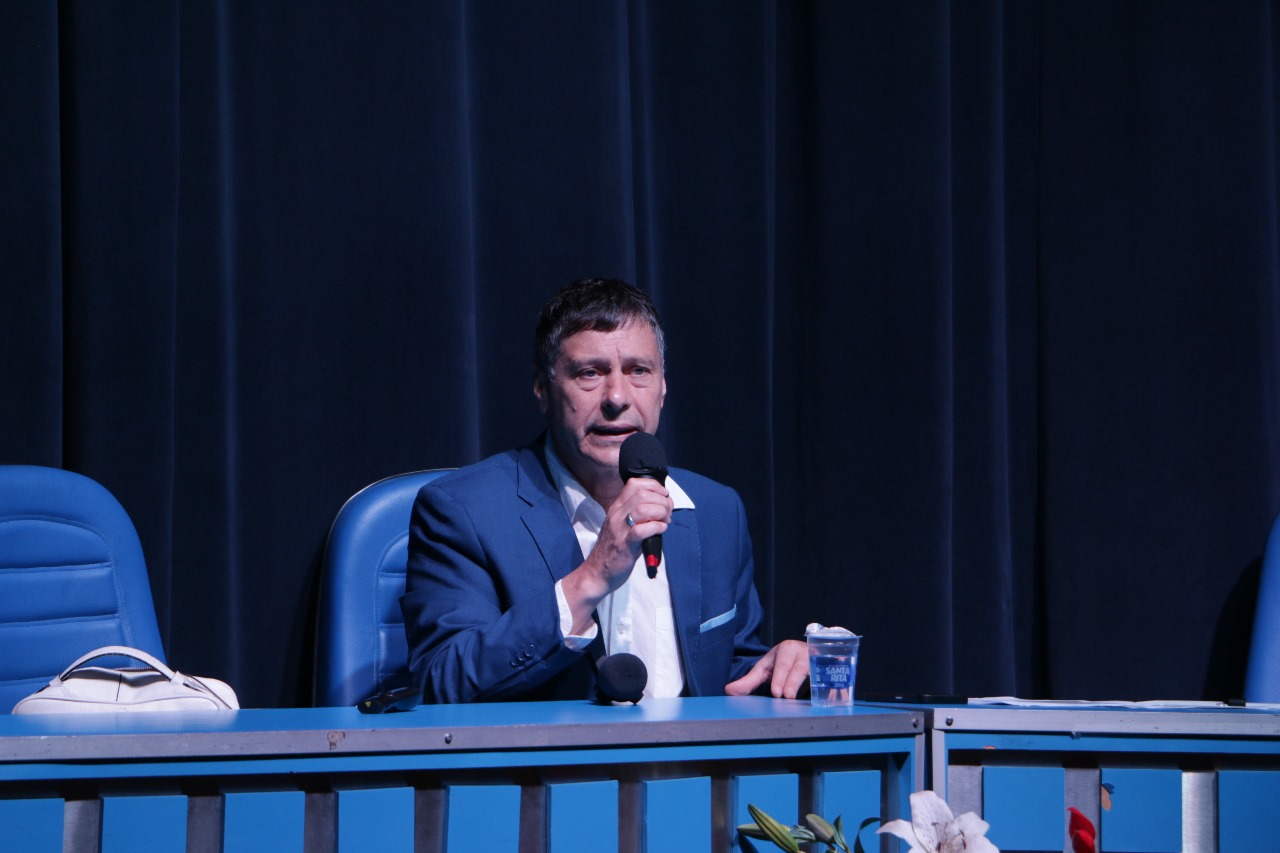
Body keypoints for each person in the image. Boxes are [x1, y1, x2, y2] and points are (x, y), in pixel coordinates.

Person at [401, 278, 808, 702]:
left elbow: (729, 670)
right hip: (551, 768)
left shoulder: (716, 511)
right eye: (589, 373)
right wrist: (592, 577)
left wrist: (780, 667)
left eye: (638, 371)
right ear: (542, 387)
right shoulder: (463, 510)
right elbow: (442, 679)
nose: (617, 397)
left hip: (692, 768)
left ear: (663, 387)